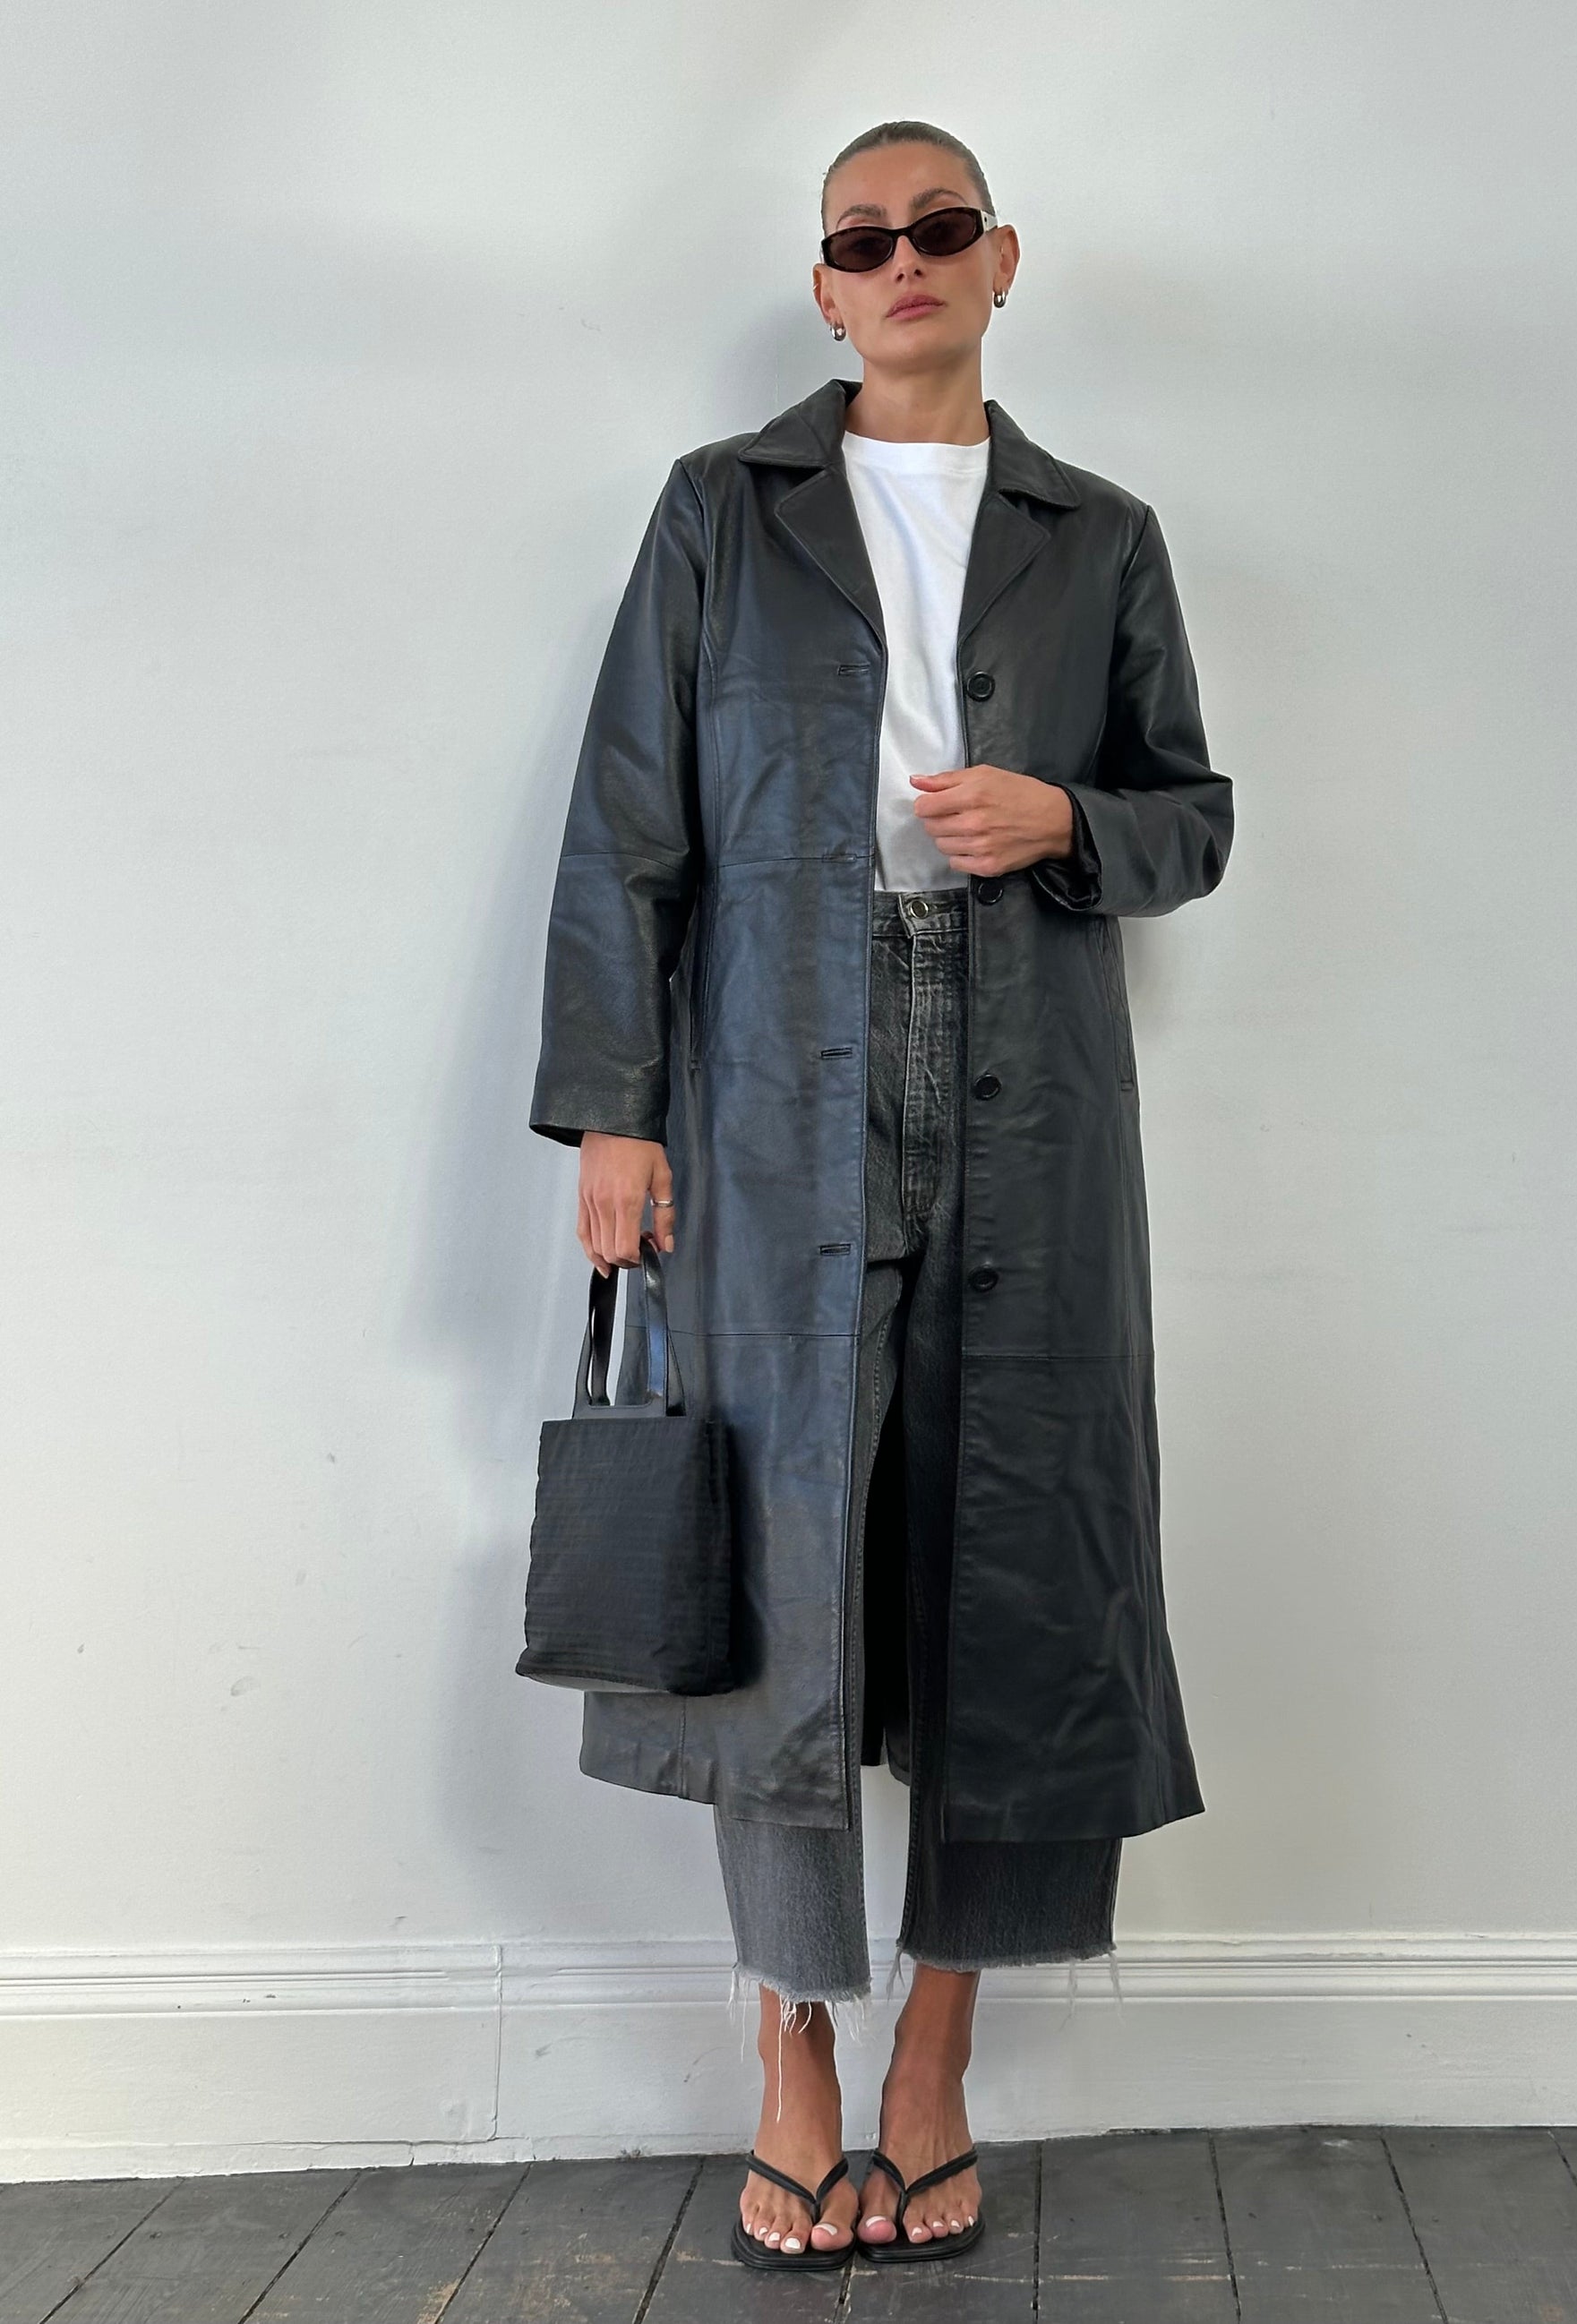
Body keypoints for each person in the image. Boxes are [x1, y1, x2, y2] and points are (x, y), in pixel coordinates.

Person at [529, 119, 1234, 2269]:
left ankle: (934, 2055)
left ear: (1001, 260)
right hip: (769, 1069)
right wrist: (614, 1113)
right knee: (777, 1570)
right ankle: (790, 2047)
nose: (903, 258)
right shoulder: (719, 510)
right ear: (825, 284)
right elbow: (628, 823)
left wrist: (1067, 821)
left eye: (940, 228)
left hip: (1027, 1070)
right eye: (864, 237)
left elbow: (1193, 815)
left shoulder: (1099, 534)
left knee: (1017, 1560)